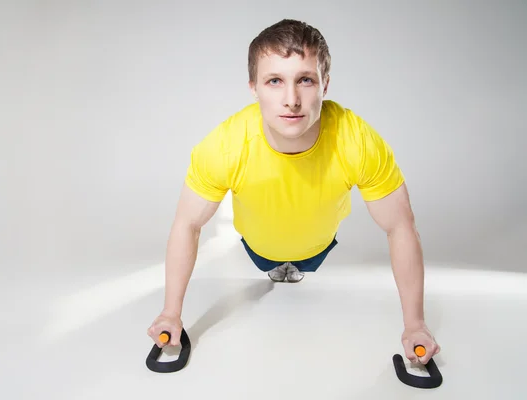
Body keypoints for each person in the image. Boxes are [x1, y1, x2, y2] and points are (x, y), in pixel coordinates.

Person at [147, 18, 440, 365]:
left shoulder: (357, 140)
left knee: (303, 262)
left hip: (318, 249)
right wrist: (170, 313)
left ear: (325, 85)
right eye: (275, 81)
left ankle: (294, 266)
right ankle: (278, 267)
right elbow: (187, 225)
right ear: (253, 87)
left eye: (305, 80)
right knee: (271, 262)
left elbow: (401, 227)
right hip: (258, 250)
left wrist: (415, 324)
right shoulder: (224, 146)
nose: (292, 100)